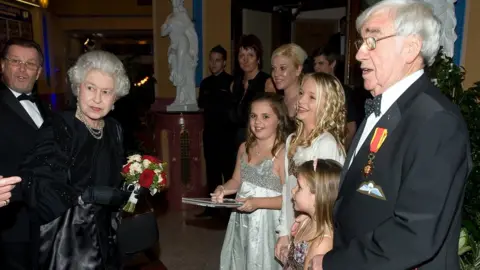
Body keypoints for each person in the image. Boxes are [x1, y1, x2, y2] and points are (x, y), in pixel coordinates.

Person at [310, 1, 471, 269]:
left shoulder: (437, 121)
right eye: (361, 42)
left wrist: (333, 263)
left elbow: (414, 234)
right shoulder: (383, 107)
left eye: (373, 40)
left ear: (410, 47)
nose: (360, 53)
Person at [10, 50, 131, 269]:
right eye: (90, 88)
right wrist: (84, 195)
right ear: (78, 88)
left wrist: (131, 186)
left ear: (115, 97)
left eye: (106, 91)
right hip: (68, 239)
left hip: (106, 231)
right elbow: (36, 180)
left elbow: (115, 175)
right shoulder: (59, 126)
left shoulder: (114, 129)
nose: (97, 98)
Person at [212, 93, 291, 269]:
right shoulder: (244, 148)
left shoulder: (283, 153)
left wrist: (256, 202)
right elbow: (236, 180)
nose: (257, 122)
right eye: (253, 116)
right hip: (242, 220)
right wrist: (223, 189)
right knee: (241, 257)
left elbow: (288, 199)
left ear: (279, 120)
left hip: (267, 223)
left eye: (265, 116)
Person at [275, 72, 346, 264]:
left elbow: (328, 198)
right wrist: (283, 231)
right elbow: (286, 189)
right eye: (301, 93)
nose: (301, 100)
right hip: (294, 224)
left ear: (327, 105)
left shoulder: (326, 144)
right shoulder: (292, 140)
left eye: (312, 97)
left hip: (314, 234)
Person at [0, 37, 50, 270]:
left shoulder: (44, 106)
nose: (22, 69)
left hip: (45, 218)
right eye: (15, 61)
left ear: (38, 72)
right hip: (11, 221)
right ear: (2, 66)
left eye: (30, 64)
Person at [196, 45, 235, 218]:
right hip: (210, 134)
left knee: (228, 172)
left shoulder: (231, 82)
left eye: (217, 60)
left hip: (227, 136)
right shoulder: (205, 83)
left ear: (224, 62)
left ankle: (229, 210)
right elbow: (203, 105)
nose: (213, 63)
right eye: (211, 60)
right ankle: (211, 208)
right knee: (211, 172)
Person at [283, 159, 342, 269]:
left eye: (299, 187)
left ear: (318, 197)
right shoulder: (306, 221)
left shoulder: (322, 243)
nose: (293, 191)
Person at [231, 34, 276, 150]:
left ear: (258, 58)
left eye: (250, 55)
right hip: (234, 144)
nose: (245, 60)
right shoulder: (234, 84)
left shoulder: (267, 82)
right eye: (241, 55)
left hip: (257, 142)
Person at [312, 47, 359, 150]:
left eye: (321, 63)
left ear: (332, 64)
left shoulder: (344, 91)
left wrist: (341, 151)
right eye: (315, 64)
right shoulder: (313, 89)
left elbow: (351, 127)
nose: (316, 68)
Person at [271, 43, 308, 119]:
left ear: (298, 69)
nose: (276, 74)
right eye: (274, 68)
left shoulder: (305, 102)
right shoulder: (277, 102)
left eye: (282, 68)